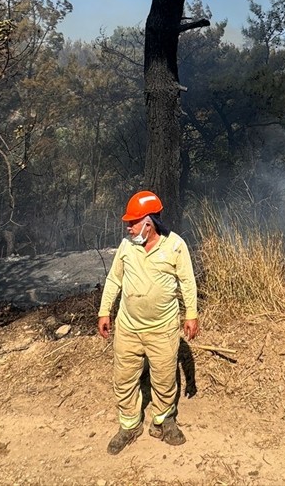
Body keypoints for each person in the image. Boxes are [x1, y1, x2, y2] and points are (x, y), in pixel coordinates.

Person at [97, 190, 200, 454]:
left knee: (164, 380)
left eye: (133, 222)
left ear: (149, 222)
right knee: (124, 379)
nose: (128, 227)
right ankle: (129, 426)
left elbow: (187, 282)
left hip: (162, 329)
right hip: (128, 329)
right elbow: (114, 279)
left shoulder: (175, 245)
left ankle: (163, 422)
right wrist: (104, 311)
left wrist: (191, 314)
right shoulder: (126, 246)